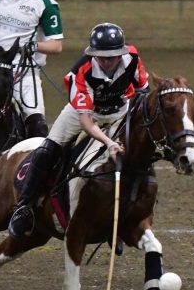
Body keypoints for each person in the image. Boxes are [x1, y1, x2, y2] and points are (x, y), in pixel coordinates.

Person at [8, 22, 150, 238]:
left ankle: (124, 214)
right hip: (82, 115)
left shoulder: (132, 58)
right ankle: (23, 207)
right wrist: (109, 142)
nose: (107, 62)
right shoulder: (81, 72)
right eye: (101, 57)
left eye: (112, 57)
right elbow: (86, 122)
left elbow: (142, 91)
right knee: (48, 149)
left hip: (119, 111)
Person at [0, 0, 63, 138]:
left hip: (23, 71)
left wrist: (34, 45)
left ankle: (32, 160)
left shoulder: (45, 3)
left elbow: (57, 46)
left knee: (38, 124)